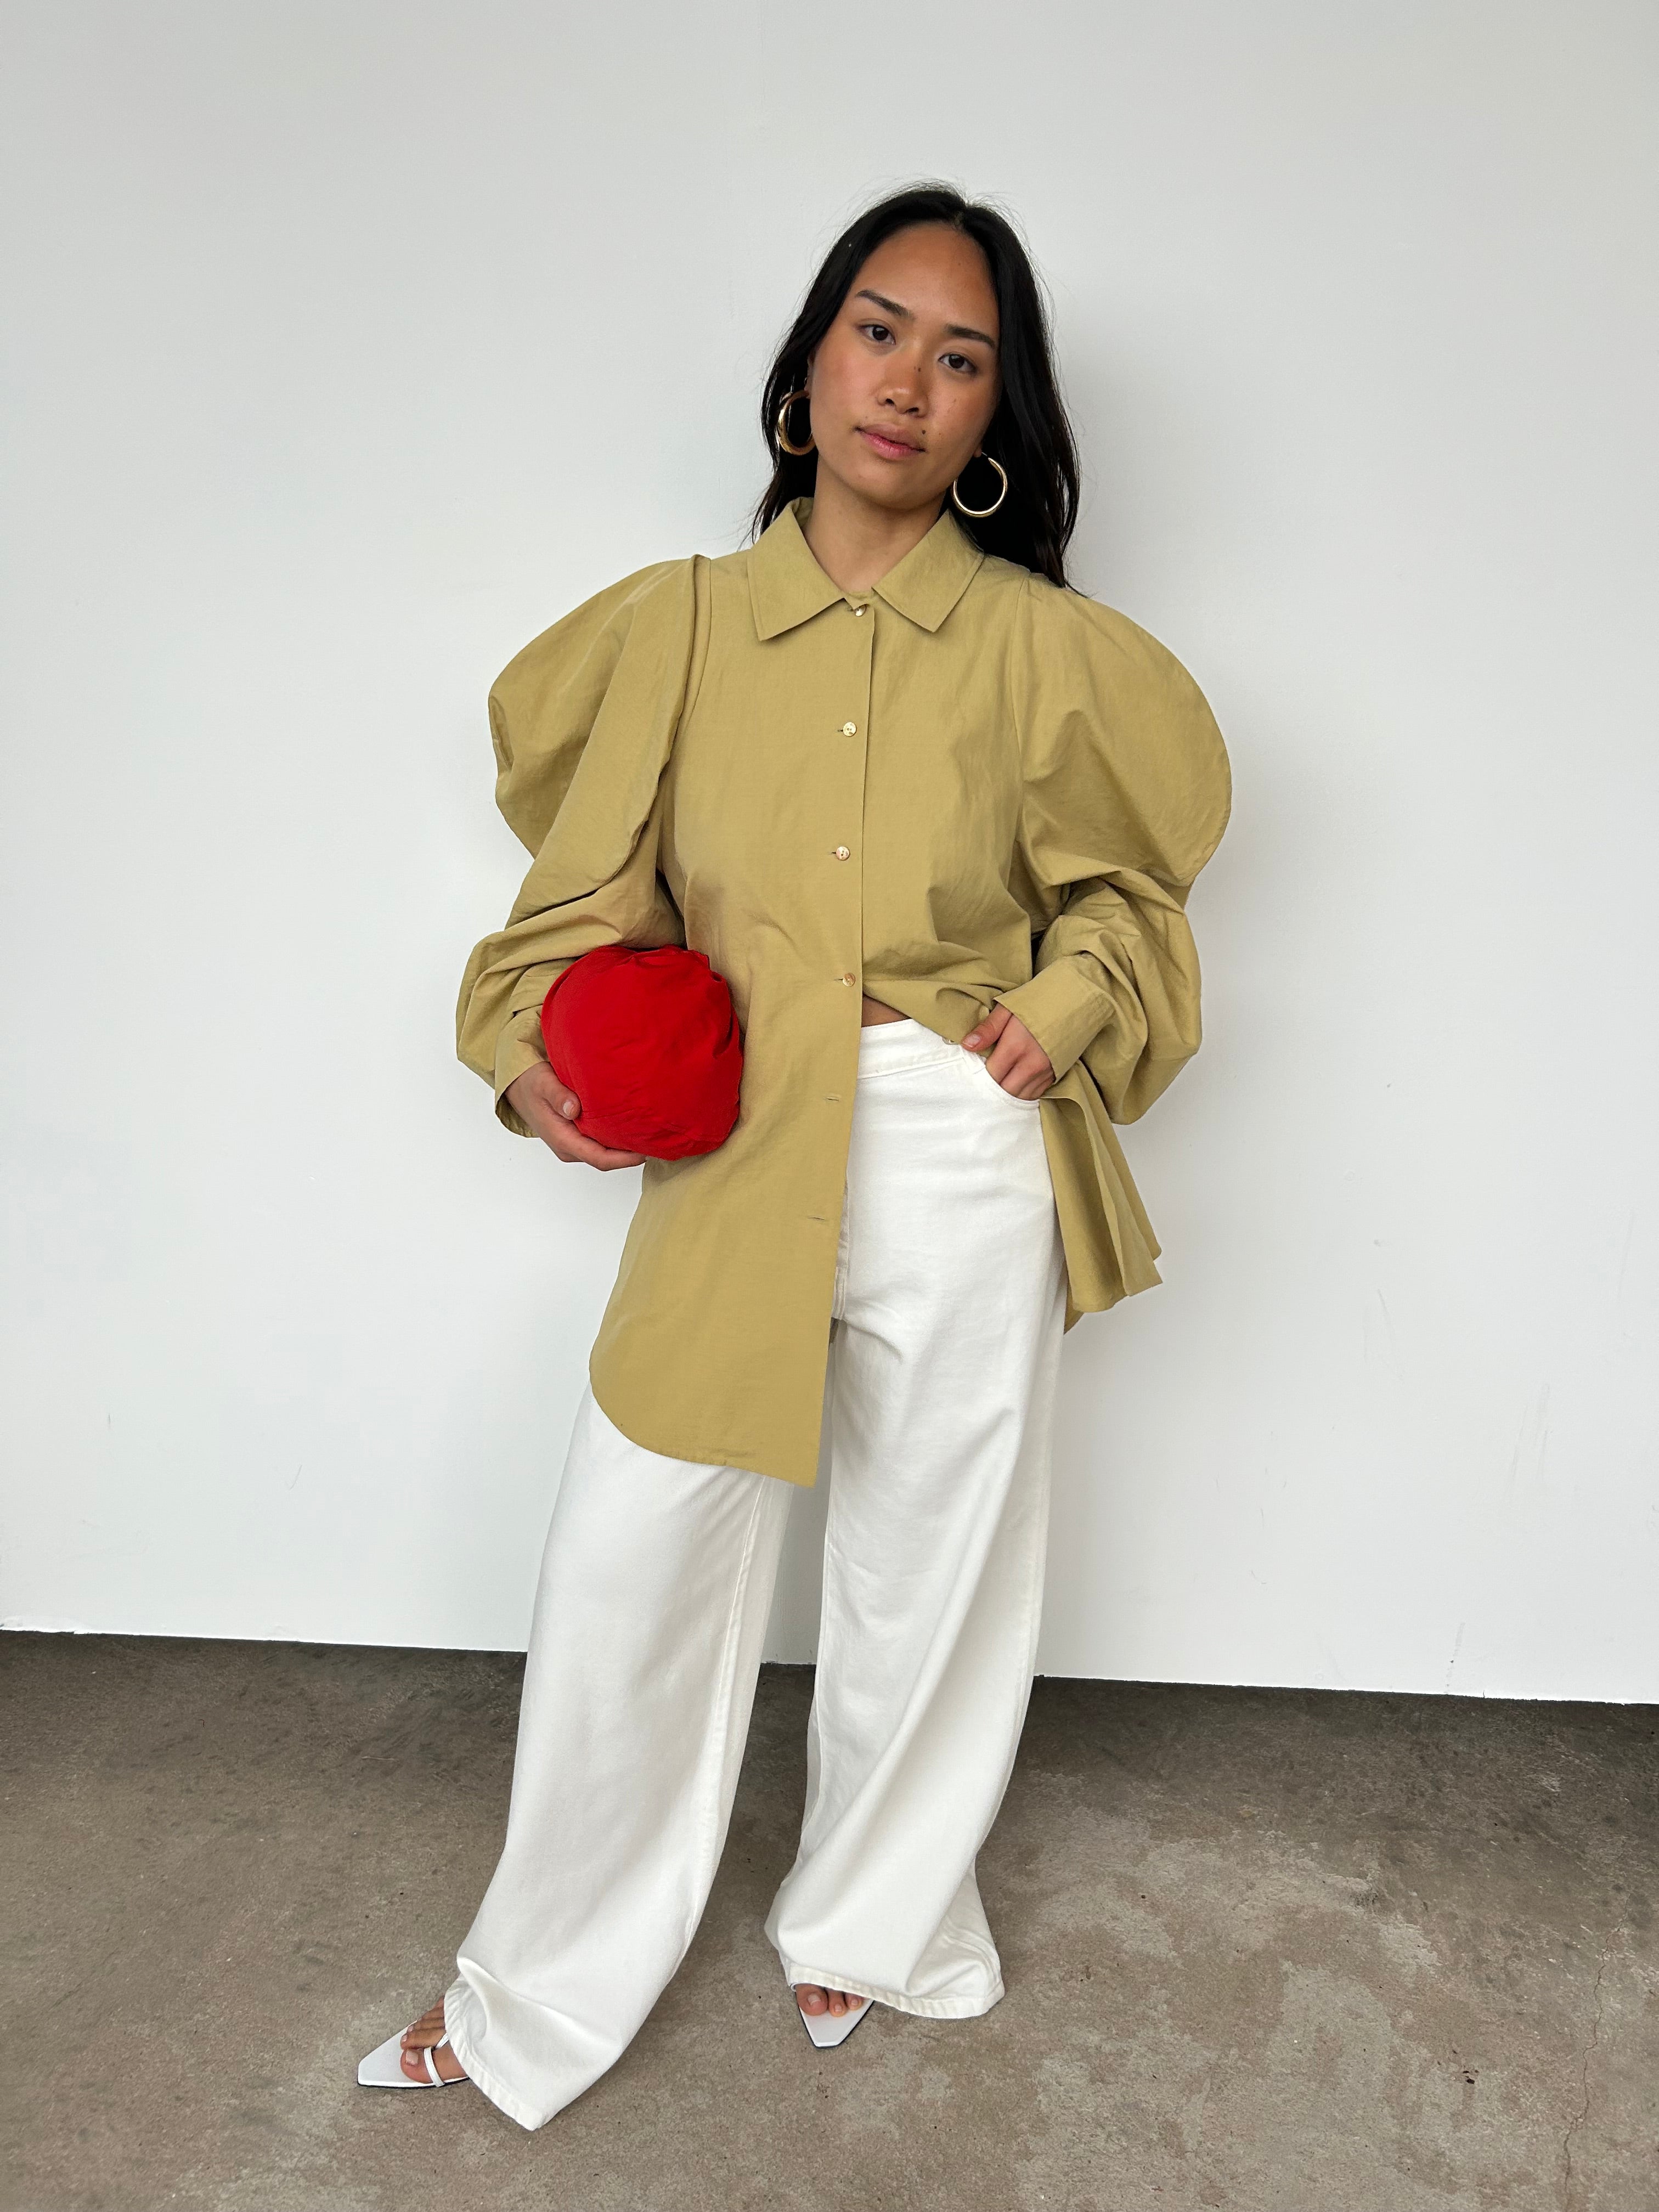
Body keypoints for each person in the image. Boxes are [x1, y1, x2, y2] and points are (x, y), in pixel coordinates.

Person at [356, 182, 1231, 2131]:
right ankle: (534, 1992)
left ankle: (875, 1917)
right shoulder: (675, 629)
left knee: (935, 1565)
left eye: (961, 356)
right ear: (808, 367)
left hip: (959, 1134)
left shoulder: (1043, 653)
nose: (908, 381)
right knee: (631, 1565)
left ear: (997, 414)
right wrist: (529, 1055)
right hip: (741, 1138)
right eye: (877, 329)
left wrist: (1068, 1002)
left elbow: (1130, 898)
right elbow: (574, 910)